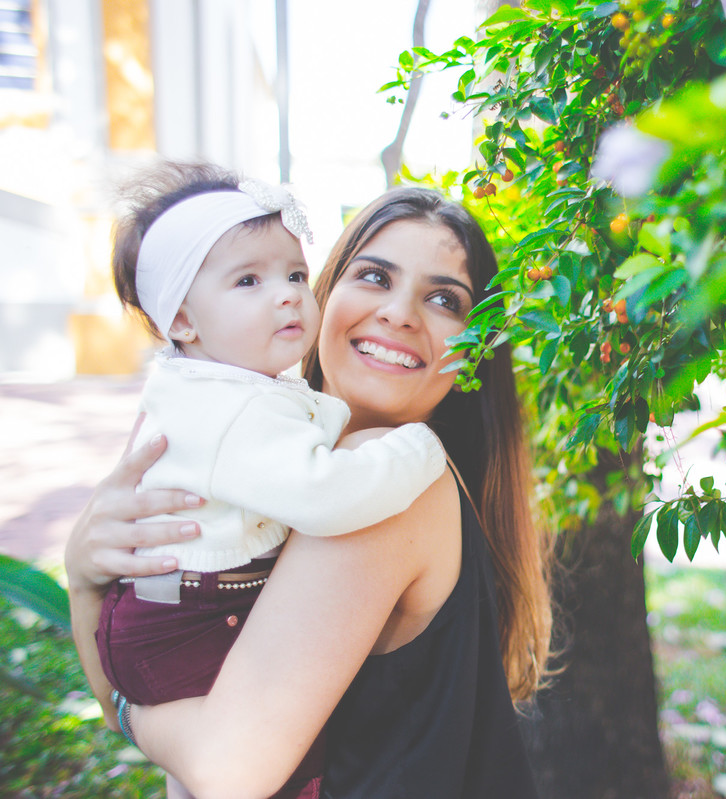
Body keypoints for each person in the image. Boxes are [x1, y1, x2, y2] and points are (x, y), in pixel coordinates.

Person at [67, 185, 553, 798]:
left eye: (443, 299)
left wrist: (124, 701)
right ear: (326, 295)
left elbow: (221, 767)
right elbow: (167, 710)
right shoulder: (274, 483)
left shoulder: (378, 487)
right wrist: (86, 579)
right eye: (375, 276)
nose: (401, 313)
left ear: (472, 353)